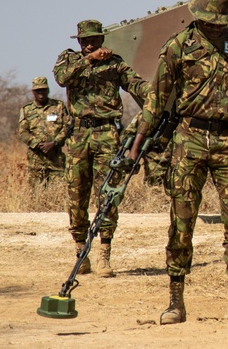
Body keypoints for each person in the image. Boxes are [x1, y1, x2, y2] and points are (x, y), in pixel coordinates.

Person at [128, 0, 228, 326]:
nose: (216, 27)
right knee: (182, 221)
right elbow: (157, 98)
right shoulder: (178, 47)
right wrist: (139, 138)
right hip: (189, 137)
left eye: (221, 22)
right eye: (210, 22)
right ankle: (176, 301)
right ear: (198, 17)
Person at [53, 19, 149, 277]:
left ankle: (104, 253)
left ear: (102, 39)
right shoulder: (69, 60)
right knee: (77, 194)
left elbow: (137, 85)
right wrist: (89, 59)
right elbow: (62, 78)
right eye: (85, 40)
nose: (90, 44)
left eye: (94, 39)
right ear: (80, 42)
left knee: (108, 194)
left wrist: (156, 92)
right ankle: (80, 251)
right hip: (78, 134)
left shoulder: (115, 63)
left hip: (107, 132)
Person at [17, 76, 71, 184]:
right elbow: (23, 132)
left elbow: (67, 126)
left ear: (48, 90)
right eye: (38, 90)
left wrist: (55, 143)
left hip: (55, 157)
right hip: (36, 159)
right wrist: (38, 145)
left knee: (58, 191)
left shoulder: (59, 106)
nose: (41, 93)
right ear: (33, 92)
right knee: (36, 192)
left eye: (43, 90)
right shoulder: (27, 110)